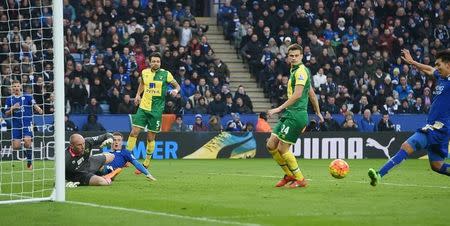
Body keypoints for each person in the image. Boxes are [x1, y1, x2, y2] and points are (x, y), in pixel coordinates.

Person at [368, 49, 450, 186]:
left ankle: (379, 174)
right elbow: (429, 70)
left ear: (448, 64)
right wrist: (412, 62)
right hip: (441, 130)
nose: (436, 67)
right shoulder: (441, 77)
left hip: (437, 128)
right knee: (436, 165)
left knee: (406, 146)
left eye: (439, 64)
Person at [266, 44, 324, 188]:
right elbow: (310, 93)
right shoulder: (295, 70)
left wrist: (278, 109)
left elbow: (298, 95)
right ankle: (289, 175)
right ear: (288, 56)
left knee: (282, 149)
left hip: (296, 115)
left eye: (296, 55)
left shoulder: (301, 72)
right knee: (271, 144)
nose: (293, 58)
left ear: (302, 56)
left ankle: (300, 179)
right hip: (290, 114)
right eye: (291, 55)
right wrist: (318, 112)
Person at [126, 52, 181, 173]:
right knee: (134, 132)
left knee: (150, 138)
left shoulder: (166, 74)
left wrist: (175, 91)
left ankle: (146, 163)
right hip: (143, 108)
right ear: (149, 62)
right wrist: (137, 95)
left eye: (158, 61)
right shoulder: (145, 72)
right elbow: (142, 84)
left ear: (160, 63)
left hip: (156, 111)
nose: (156, 63)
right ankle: (126, 158)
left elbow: (177, 86)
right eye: (154, 61)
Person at [4, 80, 43, 170]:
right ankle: (26, 152)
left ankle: (29, 162)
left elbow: (34, 105)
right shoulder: (9, 99)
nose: (16, 88)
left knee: (27, 141)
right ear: (11, 88)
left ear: (20, 86)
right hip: (16, 124)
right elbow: (6, 113)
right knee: (16, 146)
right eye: (14, 86)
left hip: (27, 122)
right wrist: (13, 108)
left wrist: (39, 109)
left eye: (17, 86)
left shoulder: (28, 96)